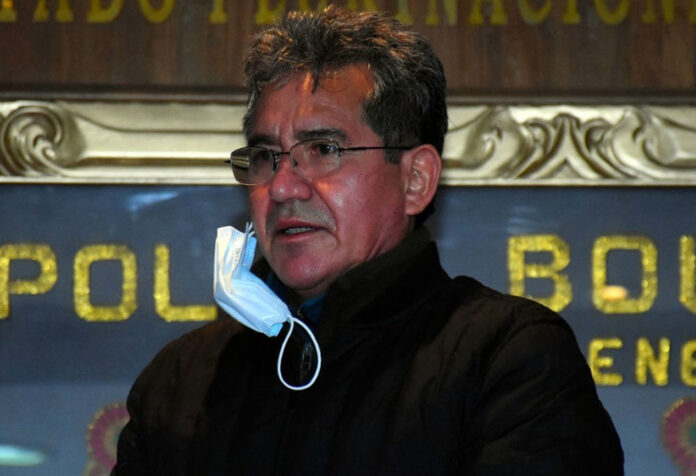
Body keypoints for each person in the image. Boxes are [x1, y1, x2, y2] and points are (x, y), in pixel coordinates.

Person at [113, 6, 623, 475]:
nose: (283, 187)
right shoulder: (182, 382)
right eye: (266, 156)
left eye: (323, 149)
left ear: (415, 179)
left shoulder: (506, 358)